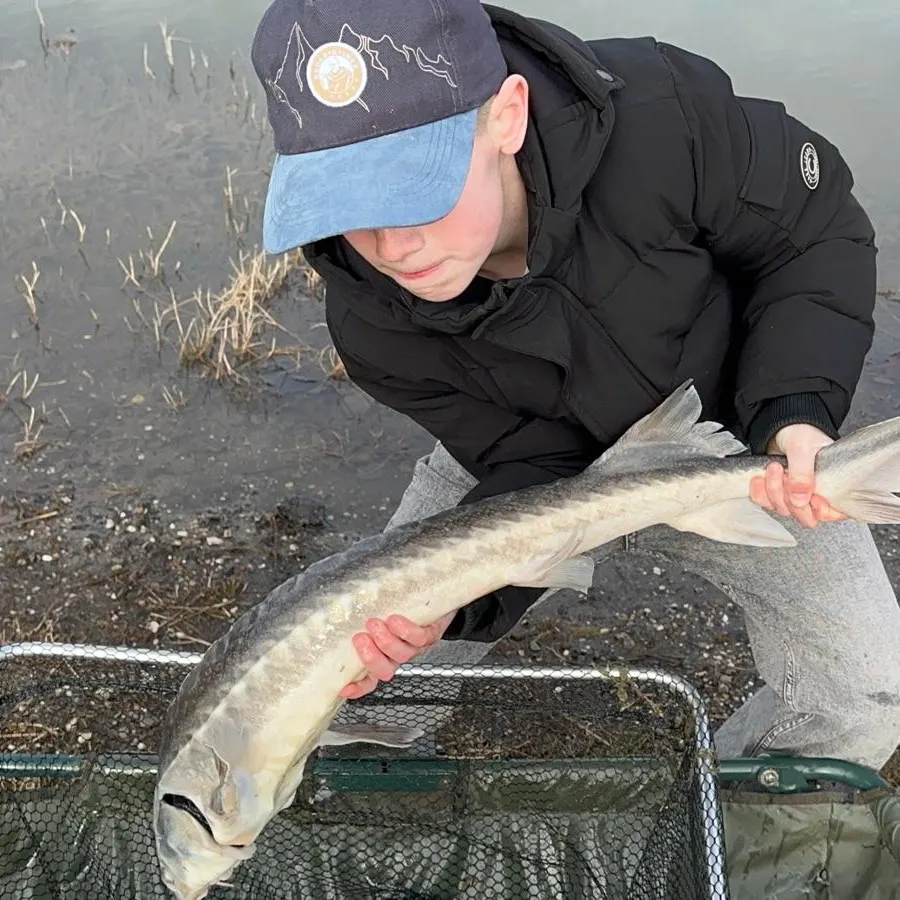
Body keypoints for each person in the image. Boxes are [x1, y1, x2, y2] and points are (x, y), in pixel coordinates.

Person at [249, 0, 900, 769]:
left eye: (415, 187)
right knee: (366, 676)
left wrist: (794, 410)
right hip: (521, 464)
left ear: (507, 117)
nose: (393, 246)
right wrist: (456, 604)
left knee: (868, 697)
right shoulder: (372, 323)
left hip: (733, 440)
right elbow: (530, 457)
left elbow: (814, 235)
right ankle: (370, 787)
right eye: (350, 206)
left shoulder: (666, 119)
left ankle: (736, 817)